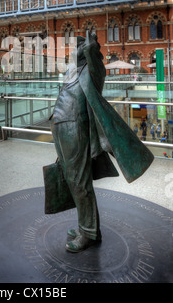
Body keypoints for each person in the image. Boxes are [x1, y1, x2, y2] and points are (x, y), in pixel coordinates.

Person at [49, 31, 154, 253]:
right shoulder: (72, 72)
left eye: (78, 46)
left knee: (79, 181)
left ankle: (87, 232)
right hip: (62, 129)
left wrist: (90, 43)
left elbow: (93, 57)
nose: (73, 50)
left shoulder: (93, 71)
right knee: (71, 179)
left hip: (76, 128)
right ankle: (87, 228)